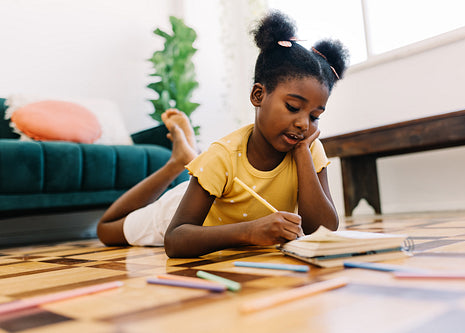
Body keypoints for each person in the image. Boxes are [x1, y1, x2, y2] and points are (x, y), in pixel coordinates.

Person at [97, 10, 349, 258]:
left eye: (314, 116)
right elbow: (175, 239)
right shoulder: (223, 156)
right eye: (293, 107)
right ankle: (176, 164)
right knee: (107, 230)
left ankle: (183, 159)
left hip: (216, 196)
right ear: (258, 96)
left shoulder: (308, 147)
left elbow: (323, 230)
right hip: (183, 215)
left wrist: (303, 155)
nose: (304, 124)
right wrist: (249, 231)